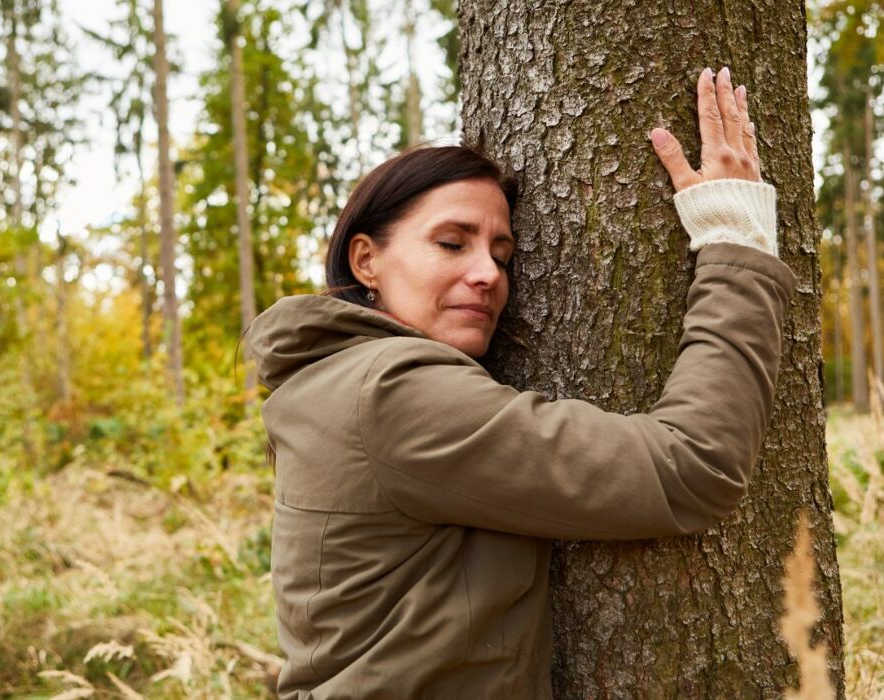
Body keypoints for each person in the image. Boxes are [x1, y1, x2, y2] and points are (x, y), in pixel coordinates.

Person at [248, 66, 797, 699]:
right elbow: (694, 466)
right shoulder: (392, 392)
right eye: (452, 243)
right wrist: (738, 244)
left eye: (503, 255)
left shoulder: (333, 379)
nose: (486, 273)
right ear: (366, 258)